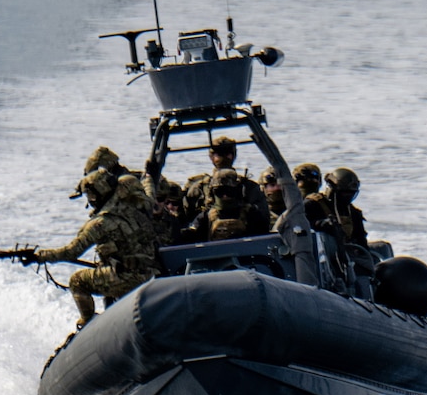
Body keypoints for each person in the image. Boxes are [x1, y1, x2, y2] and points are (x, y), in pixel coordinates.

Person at [36, 169, 158, 328]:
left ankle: (87, 323)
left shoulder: (101, 223)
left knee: (77, 281)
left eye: (91, 196)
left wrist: (40, 256)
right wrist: (148, 178)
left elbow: (71, 251)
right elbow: (149, 195)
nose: (90, 201)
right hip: (150, 272)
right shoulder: (136, 203)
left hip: (127, 278)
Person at [182, 136, 268, 223]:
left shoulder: (249, 187)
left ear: (233, 155)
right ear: (211, 157)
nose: (223, 158)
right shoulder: (198, 188)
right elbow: (187, 219)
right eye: (219, 154)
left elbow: (263, 218)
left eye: (227, 154)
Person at [183, 168, 271, 242]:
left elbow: (262, 240)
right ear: (212, 193)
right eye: (220, 192)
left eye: (229, 191)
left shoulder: (251, 214)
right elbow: (191, 240)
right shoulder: (206, 216)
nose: (225, 196)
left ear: (238, 191)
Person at [304, 167, 367, 246]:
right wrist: (321, 224)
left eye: (351, 193)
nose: (348, 197)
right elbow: (299, 226)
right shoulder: (312, 205)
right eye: (344, 193)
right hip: (319, 252)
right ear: (331, 190)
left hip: (349, 254)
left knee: (382, 247)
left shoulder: (353, 212)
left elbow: (361, 241)